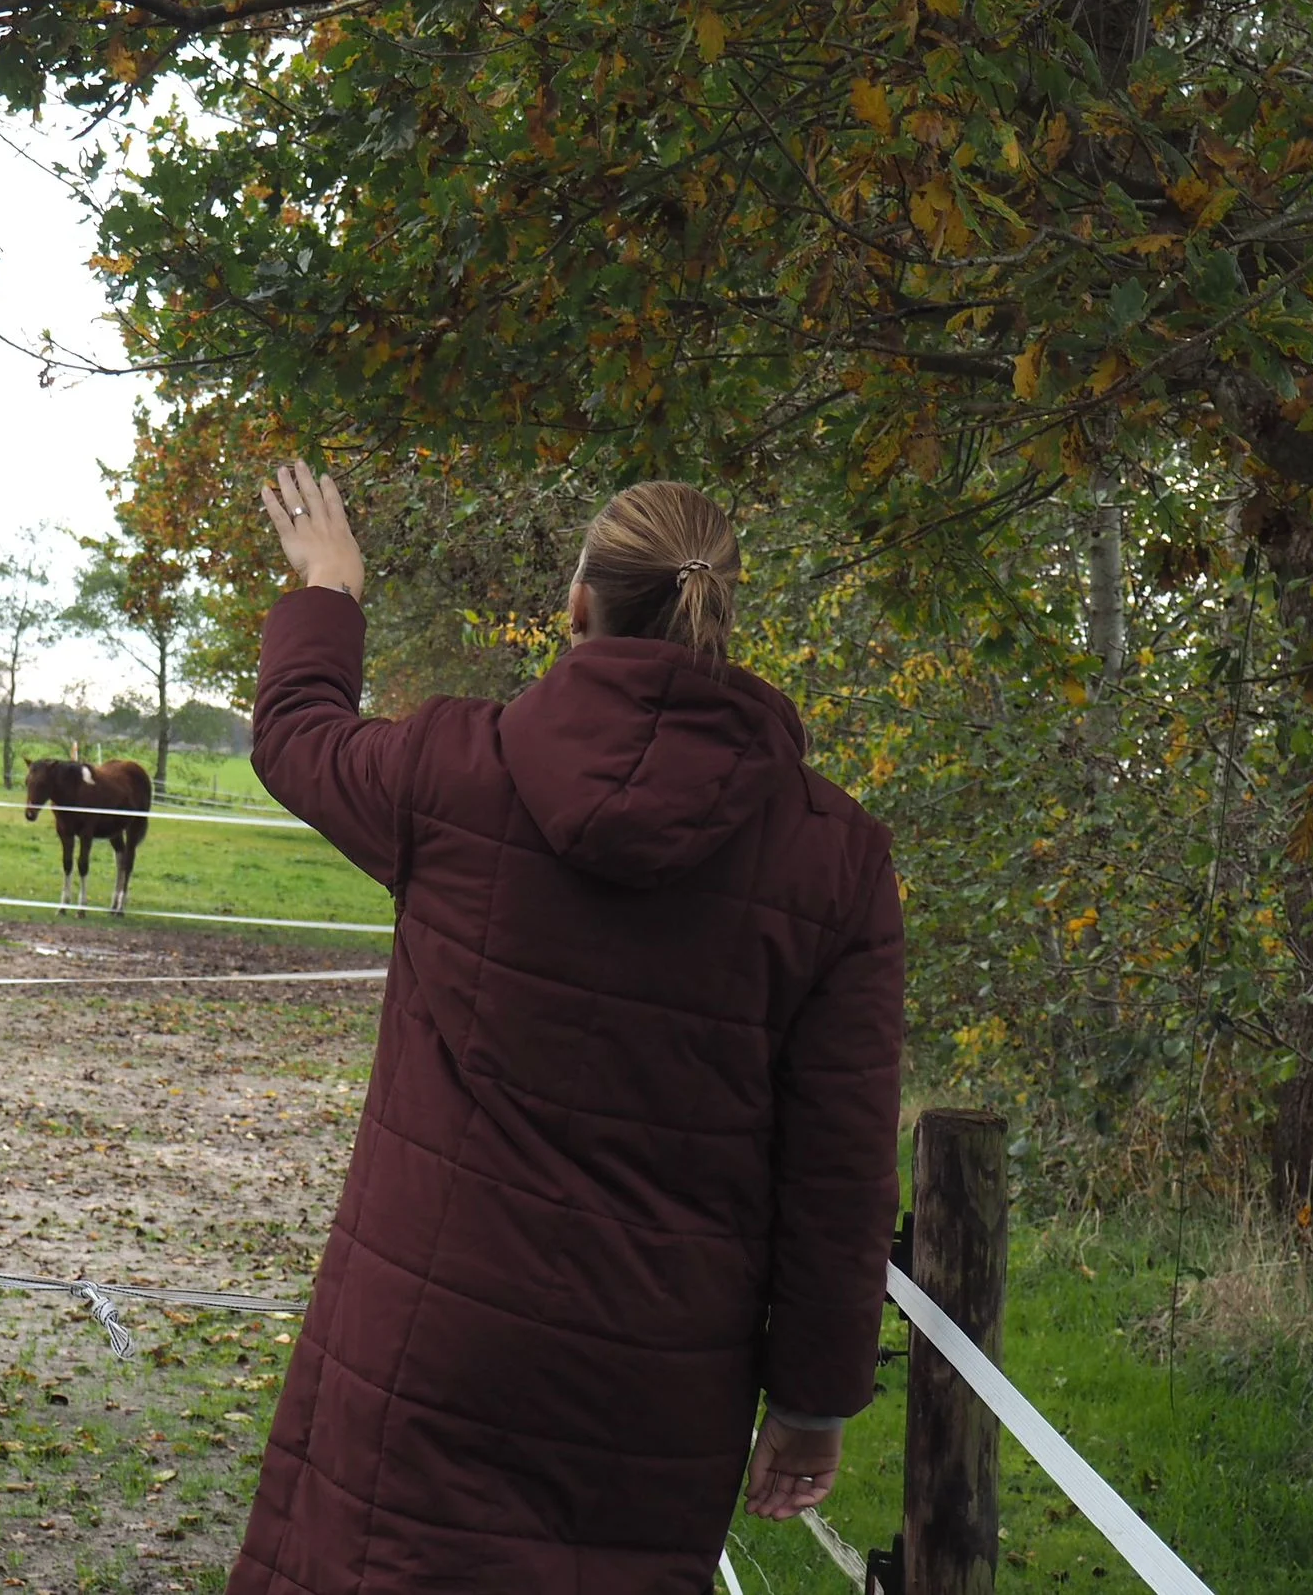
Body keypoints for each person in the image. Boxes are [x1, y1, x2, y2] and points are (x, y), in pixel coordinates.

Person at [228, 465, 906, 1595]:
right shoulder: (834, 856)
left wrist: (330, 585)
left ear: (576, 604)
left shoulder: (452, 774)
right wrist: (811, 1400)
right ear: (721, 617)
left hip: (430, 1335)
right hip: (659, 1371)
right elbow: (839, 1168)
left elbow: (298, 732)